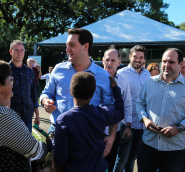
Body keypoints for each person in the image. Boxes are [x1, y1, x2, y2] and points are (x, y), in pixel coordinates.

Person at [40, 28, 118, 157]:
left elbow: (111, 109)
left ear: (85, 46)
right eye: (67, 46)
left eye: (72, 45)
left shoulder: (103, 76)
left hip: (89, 136)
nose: (67, 50)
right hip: (58, 133)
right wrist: (45, 101)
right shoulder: (58, 69)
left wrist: (111, 137)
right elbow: (46, 92)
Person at [54, 72, 124, 172]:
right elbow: (120, 113)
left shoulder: (64, 120)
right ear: (92, 93)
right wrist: (116, 89)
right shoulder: (101, 113)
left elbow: (60, 158)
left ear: (71, 91)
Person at [136, 48, 185, 172]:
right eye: (164, 61)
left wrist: (179, 128)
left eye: (171, 62)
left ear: (180, 64)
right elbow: (140, 103)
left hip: (174, 150)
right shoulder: (150, 82)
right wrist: (144, 119)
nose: (166, 65)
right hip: (148, 145)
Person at [113, 45, 151, 172]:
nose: (137, 60)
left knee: (133, 158)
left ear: (144, 59)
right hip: (126, 123)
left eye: (141, 57)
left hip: (142, 124)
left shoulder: (148, 75)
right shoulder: (121, 74)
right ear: (130, 56)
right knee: (122, 158)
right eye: (135, 56)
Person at [102, 46, 132, 172]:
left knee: (110, 162)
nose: (109, 63)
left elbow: (128, 103)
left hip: (115, 131)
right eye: (107, 59)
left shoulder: (124, 81)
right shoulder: (93, 78)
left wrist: (128, 126)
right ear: (103, 60)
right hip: (94, 130)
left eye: (113, 60)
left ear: (119, 63)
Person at [9, 40, 40, 132]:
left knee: (27, 145)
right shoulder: (5, 71)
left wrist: (37, 115)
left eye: (22, 50)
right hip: (10, 117)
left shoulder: (29, 72)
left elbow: (33, 94)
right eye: (16, 50)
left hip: (27, 117)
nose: (20, 53)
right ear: (11, 52)